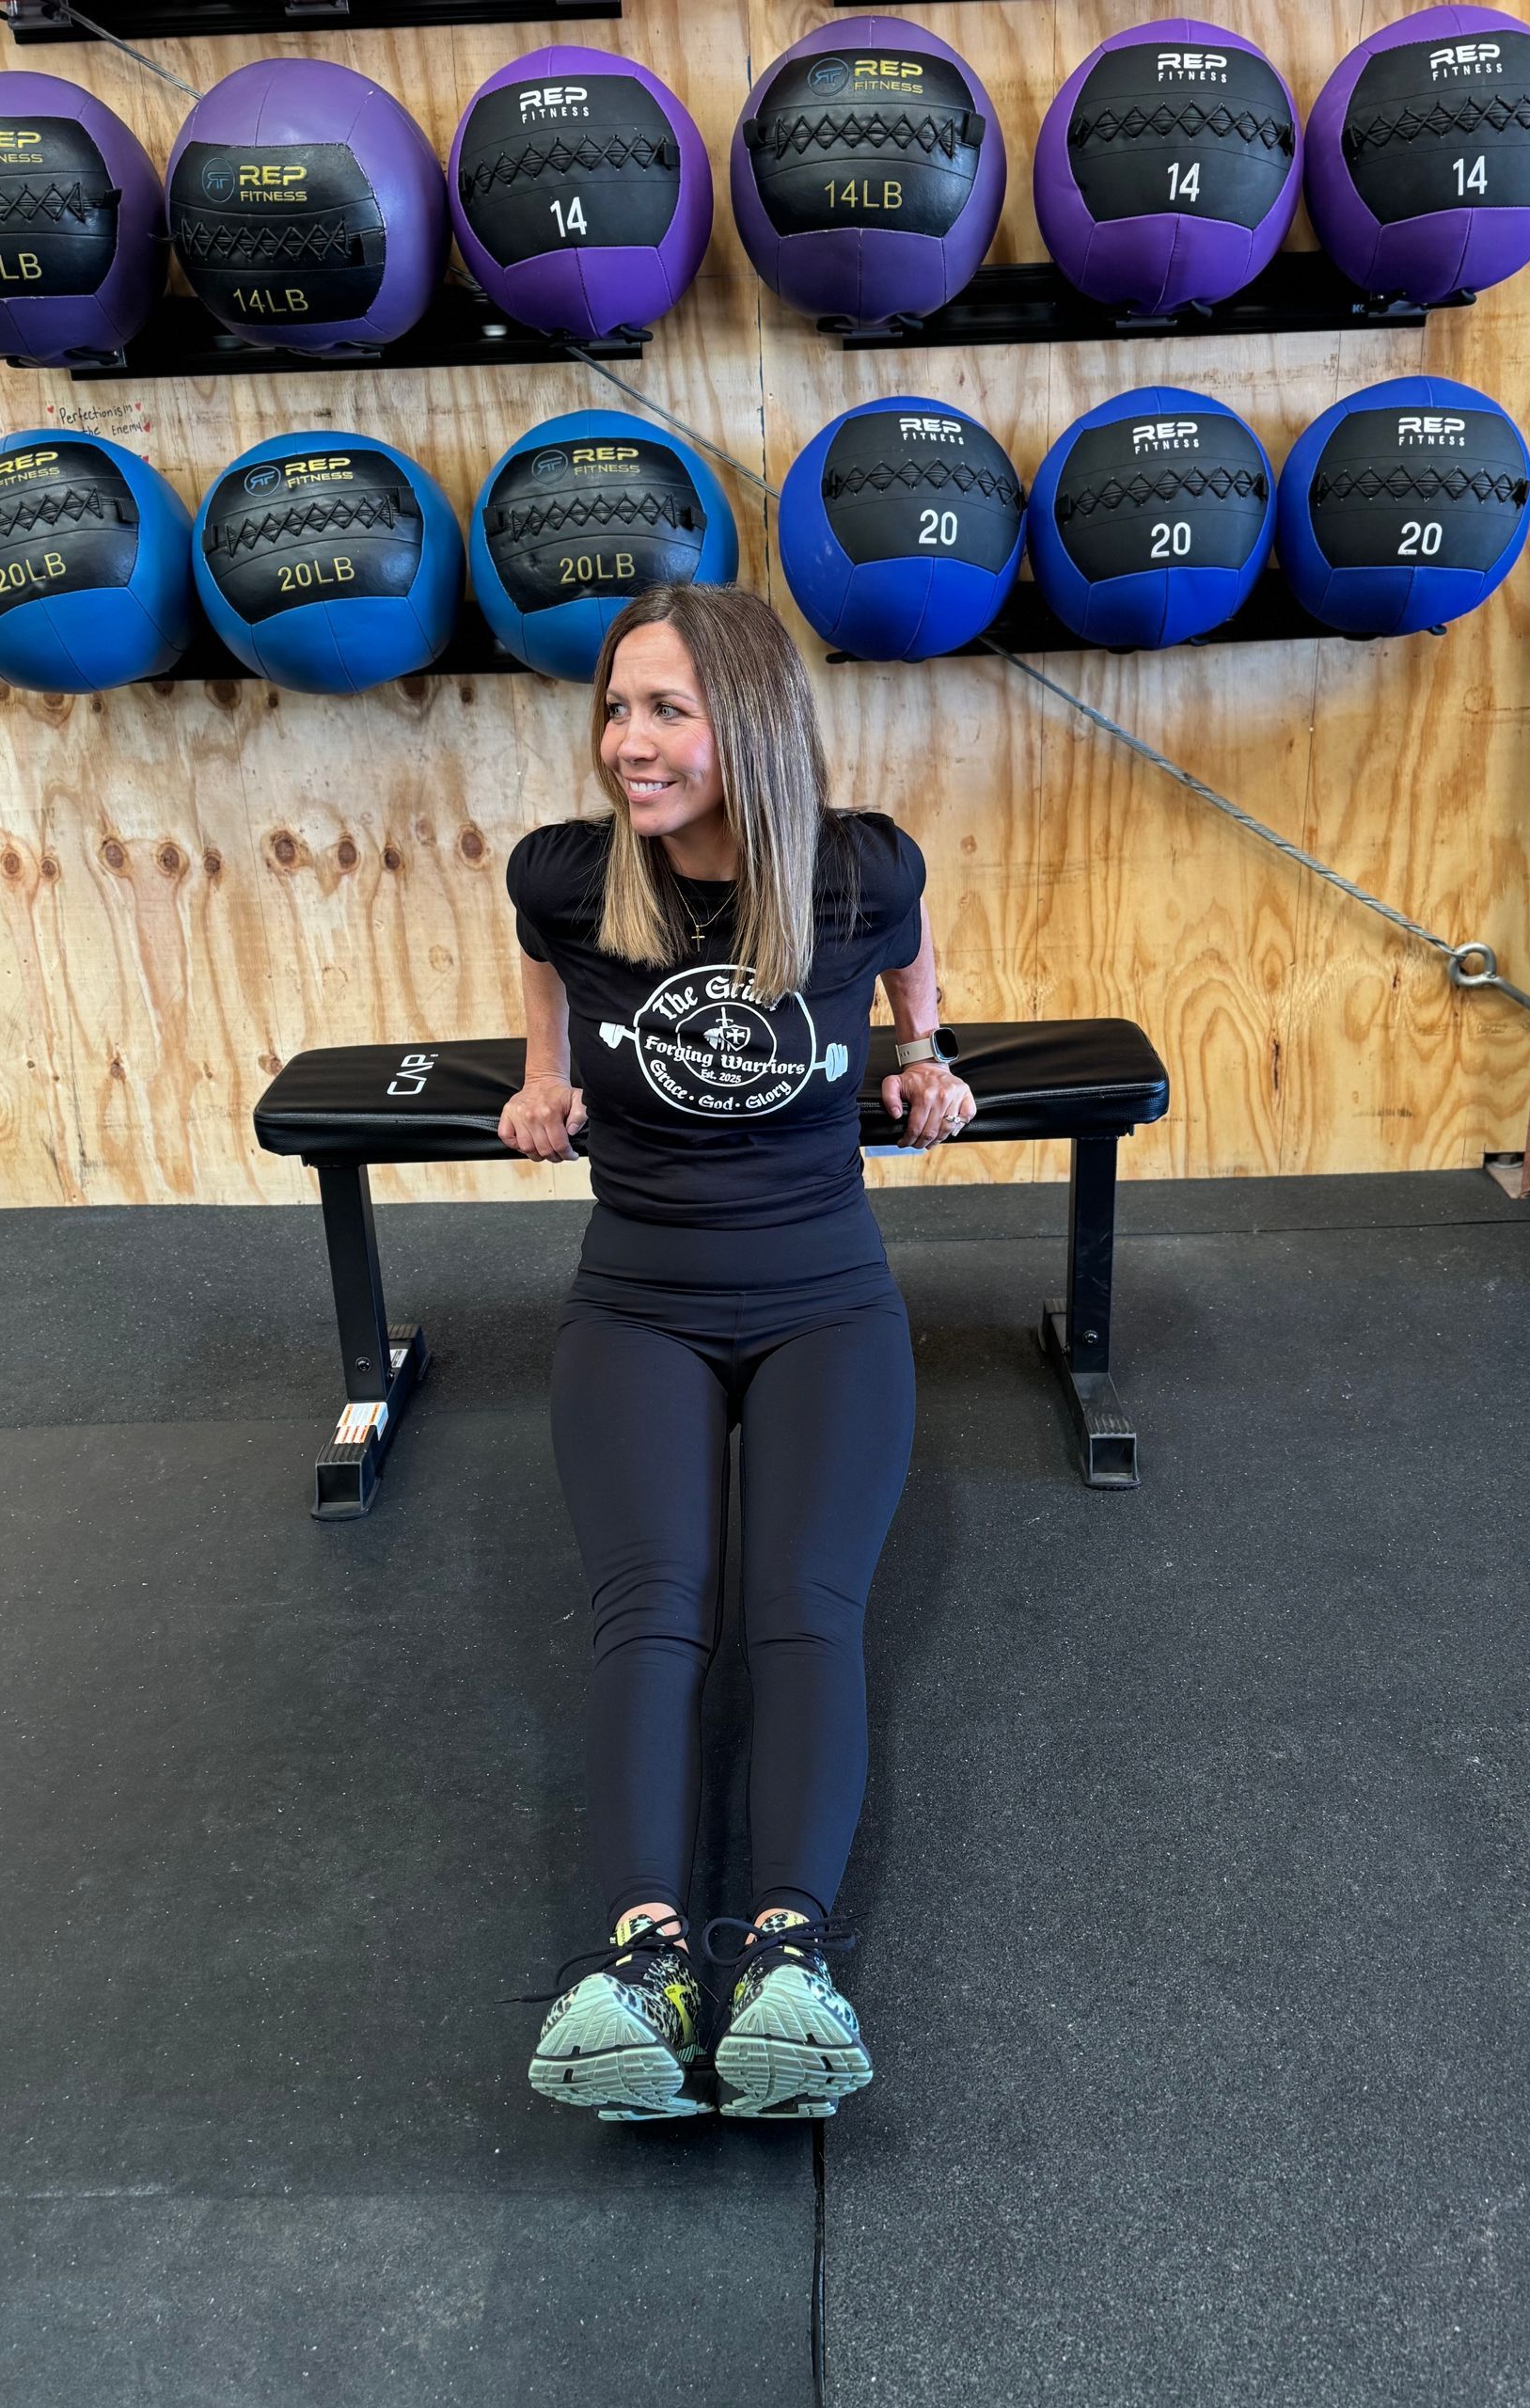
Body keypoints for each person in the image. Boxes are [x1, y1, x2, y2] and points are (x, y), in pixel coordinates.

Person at [497, 582, 974, 2122]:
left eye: (665, 712)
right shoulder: (572, 878)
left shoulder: (857, 867)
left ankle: (787, 1959)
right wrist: (539, 1081)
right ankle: (640, 1961)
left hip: (827, 1293)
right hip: (636, 1297)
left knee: (802, 1609)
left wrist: (924, 1058)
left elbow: (910, 951)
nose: (627, 743)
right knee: (653, 1612)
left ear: (750, 727)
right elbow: (537, 959)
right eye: (617, 710)